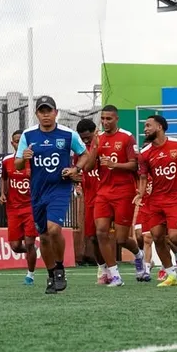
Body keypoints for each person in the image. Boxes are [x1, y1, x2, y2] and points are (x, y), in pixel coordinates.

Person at [16, 96, 91, 294]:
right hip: (38, 191)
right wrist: (23, 158)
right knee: (44, 237)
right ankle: (50, 275)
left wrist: (75, 169)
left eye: (49, 111)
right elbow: (17, 164)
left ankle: (59, 267)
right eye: (42, 111)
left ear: (56, 113)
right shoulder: (28, 135)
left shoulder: (68, 134)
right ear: (36, 114)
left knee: (54, 229)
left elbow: (85, 154)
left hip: (60, 188)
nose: (46, 115)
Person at [136, 115, 177, 287]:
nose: (145, 129)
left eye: (148, 125)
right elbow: (143, 177)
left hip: (175, 199)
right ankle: (172, 275)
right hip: (155, 200)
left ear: (159, 127)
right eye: (145, 126)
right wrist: (140, 194)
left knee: (174, 236)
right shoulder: (145, 153)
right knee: (157, 236)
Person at [92, 105, 147, 286]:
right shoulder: (98, 138)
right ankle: (115, 275)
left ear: (116, 119)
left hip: (124, 191)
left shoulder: (127, 137)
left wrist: (115, 165)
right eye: (103, 118)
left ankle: (139, 255)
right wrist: (94, 147)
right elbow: (89, 166)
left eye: (109, 118)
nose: (105, 122)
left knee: (121, 238)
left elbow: (134, 165)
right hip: (103, 192)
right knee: (100, 232)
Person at [75, 119, 112, 282]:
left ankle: (138, 256)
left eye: (88, 137)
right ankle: (103, 269)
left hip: (110, 196)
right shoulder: (79, 151)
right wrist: (76, 182)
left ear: (95, 132)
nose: (85, 141)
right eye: (82, 138)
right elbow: (77, 172)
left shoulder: (105, 144)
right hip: (90, 199)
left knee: (122, 237)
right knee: (93, 238)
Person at [0, 130, 38, 286]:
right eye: (16, 141)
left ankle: (30, 275)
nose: (19, 144)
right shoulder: (7, 161)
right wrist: (2, 193)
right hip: (13, 208)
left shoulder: (34, 160)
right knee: (15, 246)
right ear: (12, 143)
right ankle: (32, 251)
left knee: (29, 242)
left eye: (21, 141)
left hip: (30, 207)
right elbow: (4, 178)